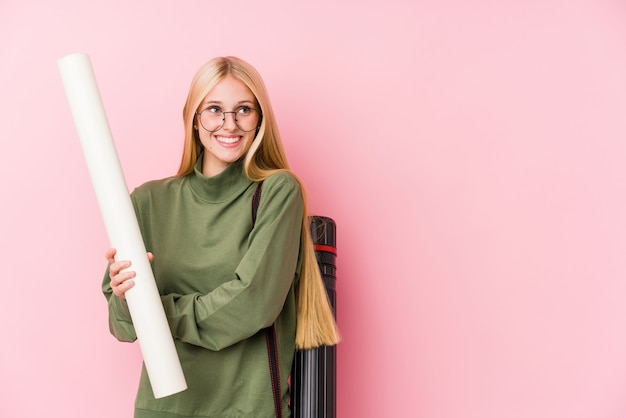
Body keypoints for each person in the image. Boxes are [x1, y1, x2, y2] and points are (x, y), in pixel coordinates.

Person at [102, 56, 340, 418]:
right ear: (194, 118)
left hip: (247, 409)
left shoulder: (277, 191)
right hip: (162, 408)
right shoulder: (147, 201)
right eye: (214, 109)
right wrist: (126, 298)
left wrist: (154, 311)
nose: (230, 124)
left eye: (243, 109)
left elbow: (252, 301)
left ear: (260, 118)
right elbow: (123, 327)